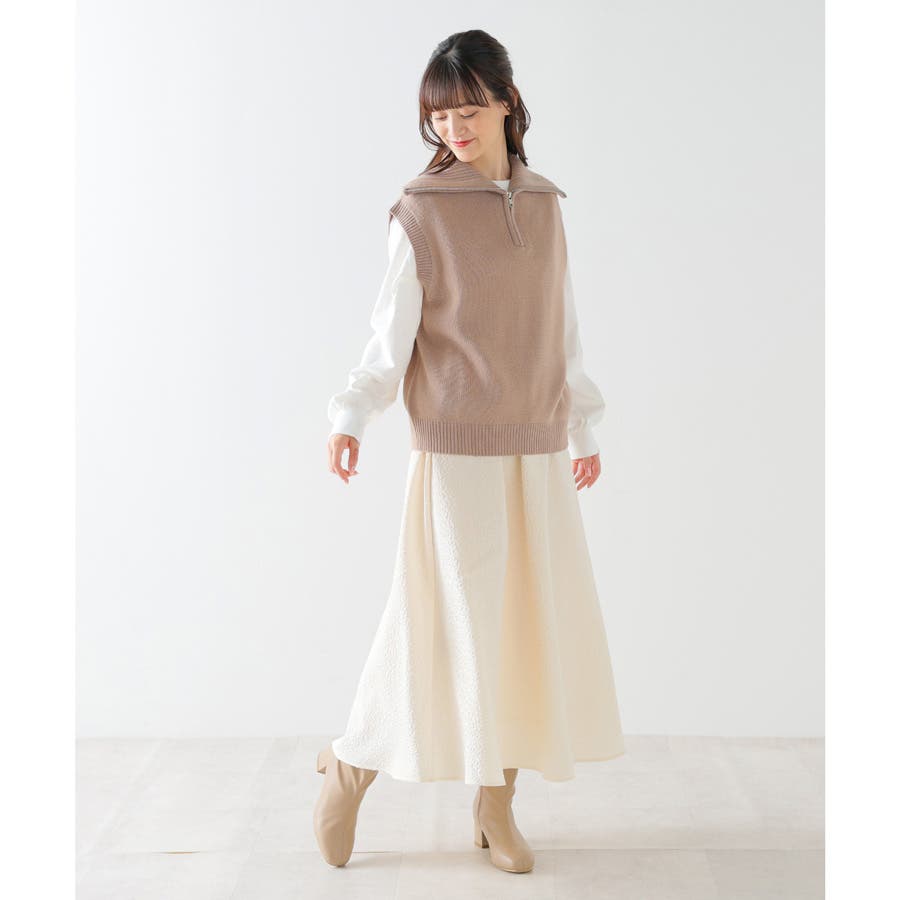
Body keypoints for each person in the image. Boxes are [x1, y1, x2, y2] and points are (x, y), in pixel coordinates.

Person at [313, 29, 625, 874]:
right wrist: (352, 414)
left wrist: (582, 424)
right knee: (444, 628)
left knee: (521, 629)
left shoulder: (546, 204)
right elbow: (390, 336)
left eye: (470, 110)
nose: (454, 128)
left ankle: (495, 807)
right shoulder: (422, 212)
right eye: (440, 116)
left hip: (537, 444)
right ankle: (350, 763)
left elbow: (561, 326)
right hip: (456, 455)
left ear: (507, 103)